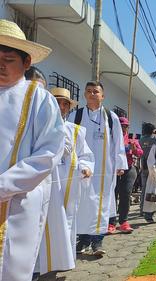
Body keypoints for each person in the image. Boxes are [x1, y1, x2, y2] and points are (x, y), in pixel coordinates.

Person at [0, 19, 65, 281]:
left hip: (17, 201)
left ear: (26, 63)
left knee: (11, 268)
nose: (1, 65)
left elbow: (48, 153)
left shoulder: (39, 98)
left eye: (9, 59)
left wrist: (4, 186)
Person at [37, 88, 94, 276]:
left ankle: (61, 262)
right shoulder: (38, 125)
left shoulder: (75, 131)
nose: (61, 107)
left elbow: (85, 154)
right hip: (44, 184)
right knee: (41, 222)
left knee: (65, 222)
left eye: (65, 104)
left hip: (67, 186)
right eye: (58, 102)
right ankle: (38, 267)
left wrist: (86, 167)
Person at [69, 81, 127, 256]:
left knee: (101, 203)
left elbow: (118, 142)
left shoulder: (111, 117)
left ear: (103, 95)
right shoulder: (76, 116)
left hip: (105, 169)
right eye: (89, 91)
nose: (92, 94)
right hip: (82, 168)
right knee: (82, 203)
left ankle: (97, 241)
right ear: (84, 95)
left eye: (96, 91)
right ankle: (84, 239)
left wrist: (120, 164)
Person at [108, 117, 143, 234]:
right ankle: (110, 222)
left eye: (125, 126)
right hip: (113, 170)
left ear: (128, 127)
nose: (123, 128)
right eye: (121, 126)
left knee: (126, 194)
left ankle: (124, 222)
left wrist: (134, 149)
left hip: (129, 169)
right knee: (112, 195)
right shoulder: (110, 137)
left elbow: (140, 153)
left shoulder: (133, 139)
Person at [139, 122, 156, 215]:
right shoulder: (155, 139)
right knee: (152, 188)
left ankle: (142, 209)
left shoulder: (141, 140)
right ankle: (150, 210)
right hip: (153, 166)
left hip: (143, 166)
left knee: (144, 189)